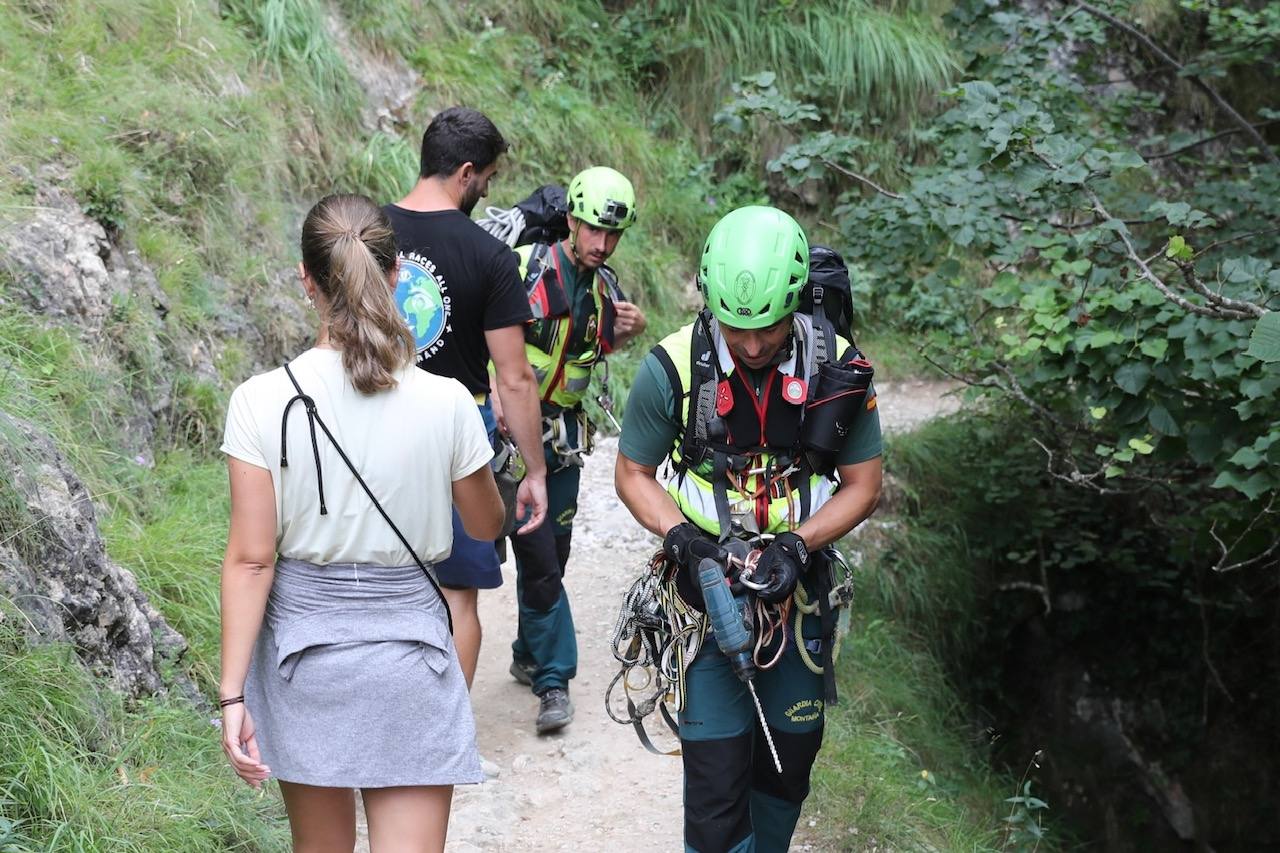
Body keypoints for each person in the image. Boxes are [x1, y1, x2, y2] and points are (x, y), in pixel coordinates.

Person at [219, 193, 505, 851]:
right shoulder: (447, 401)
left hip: (304, 660)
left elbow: (252, 560)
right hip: (410, 661)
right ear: (397, 274)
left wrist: (233, 696)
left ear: (306, 279)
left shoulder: (260, 401)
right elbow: (485, 524)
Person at [614, 205, 883, 852]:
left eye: (769, 327)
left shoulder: (836, 368)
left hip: (799, 596)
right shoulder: (674, 369)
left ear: (797, 305)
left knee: (787, 771)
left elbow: (865, 484)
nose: (755, 345)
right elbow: (632, 473)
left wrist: (798, 544)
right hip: (704, 601)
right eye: (737, 328)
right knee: (715, 795)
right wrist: (684, 540)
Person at [384, 106, 548, 689]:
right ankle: (446, 730)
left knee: (379, 585)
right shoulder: (490, 256)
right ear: (466, 173)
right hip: (456, 437)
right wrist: (535, 471)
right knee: (457, 596)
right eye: (488, 179)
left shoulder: (365, 235)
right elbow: (515, 378)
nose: (487, 191)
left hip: (370, 426)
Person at [496, 166, 647, 733]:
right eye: (593, 230)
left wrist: (627, 332)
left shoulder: (607, 291)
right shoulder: (523, 268)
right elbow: (488, 338)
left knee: (552, 556)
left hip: (562, 443)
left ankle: (526, 652)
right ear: (571, 221)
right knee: (536, 561)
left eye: (613, 235)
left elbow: (585, 352)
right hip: (508, 441)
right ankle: (554, 680)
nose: (602, 243)